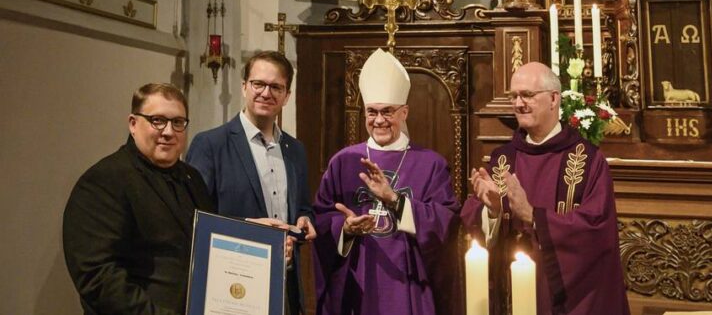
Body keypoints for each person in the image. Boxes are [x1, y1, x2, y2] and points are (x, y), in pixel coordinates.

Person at [461, 62, 630, 315]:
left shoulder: (587, 160)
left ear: (553, 99)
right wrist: (493, 211)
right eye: (514, 96)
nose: (518, 104)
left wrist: (533, 215)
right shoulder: (502, 159)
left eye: (527, 95)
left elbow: (596, 229)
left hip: (570, 300)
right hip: (512, 296)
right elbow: (471, 221)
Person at [313, 48, 461, 315]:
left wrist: (395, 201)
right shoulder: (343, 161)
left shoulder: (431, 164)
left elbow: (446, 221)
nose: (379, 120)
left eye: (387, 112)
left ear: (404, 113)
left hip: (408, 285)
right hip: (357, 282)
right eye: (372, 112)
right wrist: (345, 229)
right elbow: (322, 218)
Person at [63, 83, 215, 314]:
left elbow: (210, 241)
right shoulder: (104, 180)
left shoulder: (191, 178)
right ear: (133, 124)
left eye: (177, 122)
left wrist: (255, 236)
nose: (168, 131)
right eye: (157, 120)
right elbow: (97, 277)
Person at [186, 51, 315, 315]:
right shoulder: (211, 144)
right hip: (231, 285)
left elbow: (303, 207)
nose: (266, 93)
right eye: (259, 84)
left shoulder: (295, 150)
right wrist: (251, 229)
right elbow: (193, 218)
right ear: (244, 86)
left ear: (287, 96)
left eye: (276, 87)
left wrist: (304, 220)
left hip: (284, 284)